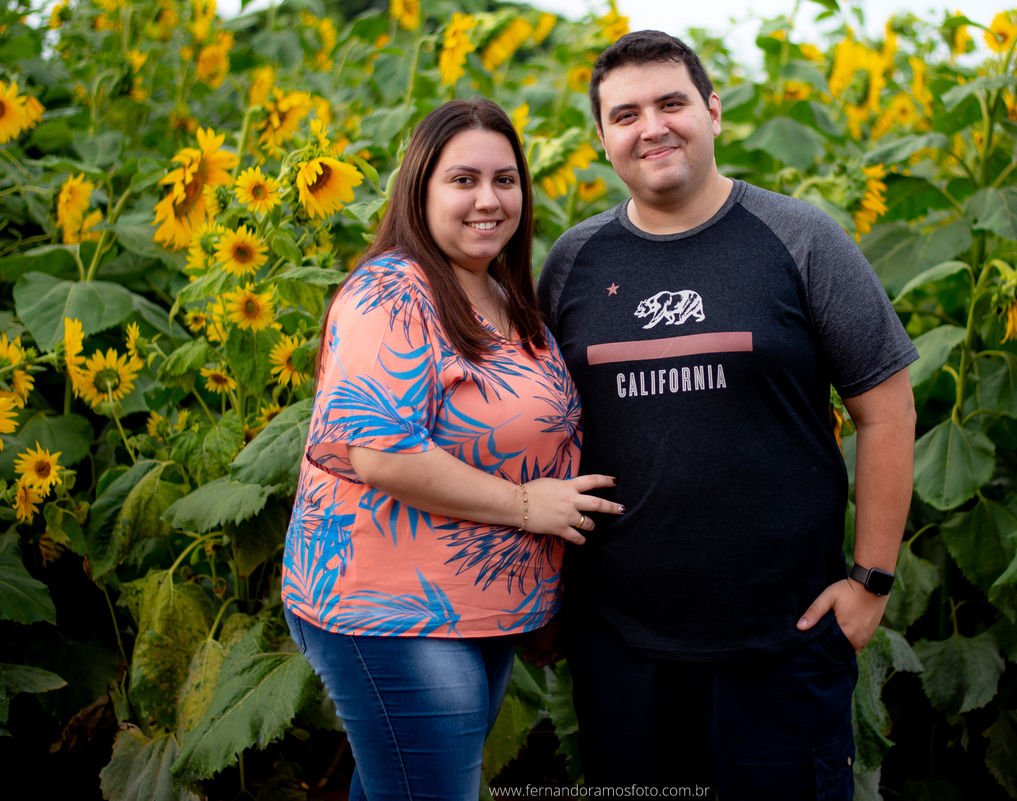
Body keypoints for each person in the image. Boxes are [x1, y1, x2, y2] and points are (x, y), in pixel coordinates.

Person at [537, 31, 918, 799]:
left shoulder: (800, 239)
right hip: (621, 646)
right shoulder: (574, 263)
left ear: (714, 111)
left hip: (783, 639)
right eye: (626, 114)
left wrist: (871, 580)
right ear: (602, 139)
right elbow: (538, 427)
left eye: (672, 102)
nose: (653, 127)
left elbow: (887, 409)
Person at [281, 99, 623, 801]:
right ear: (420, 188)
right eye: (463, 180)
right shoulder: (390, 292)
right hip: (394, 610)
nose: (489, 200)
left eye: (505, 180)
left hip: (478, 606)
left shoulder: (501, 294)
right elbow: (383, 452)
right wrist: (530, 505)